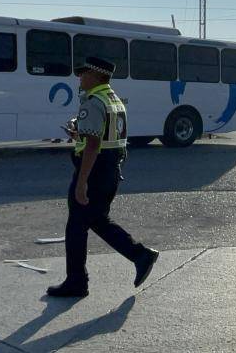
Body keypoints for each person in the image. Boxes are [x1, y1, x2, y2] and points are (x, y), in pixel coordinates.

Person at [47, 56, 158, 298]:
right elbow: (104, 138)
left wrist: (82, 182)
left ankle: (77, 282)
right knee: (96, 220)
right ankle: (140, 255)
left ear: (96, 76)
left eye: (84, 73)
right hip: (110, 169)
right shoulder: (114, 100)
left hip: (95, 171)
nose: (80, 77)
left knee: (76, 226)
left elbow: (93, 145)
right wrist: (79, 134)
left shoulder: (93, 101)